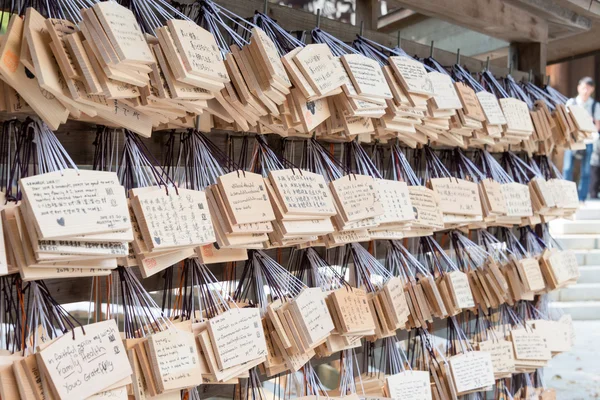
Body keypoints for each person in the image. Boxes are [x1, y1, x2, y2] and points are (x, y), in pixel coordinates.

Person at [563, 77, 600, 201]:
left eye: (588, 88)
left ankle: (581, 198)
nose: (585, 91)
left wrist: (589, 122)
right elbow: (565, 121)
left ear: (592, 89)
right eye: (583, 87)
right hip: (572, 139)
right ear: (579, 88)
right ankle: (567, 197)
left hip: (588, 140)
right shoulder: (571, 102)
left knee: (586, 170)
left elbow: (597, 126)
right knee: (567, 168)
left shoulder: (595, 105)